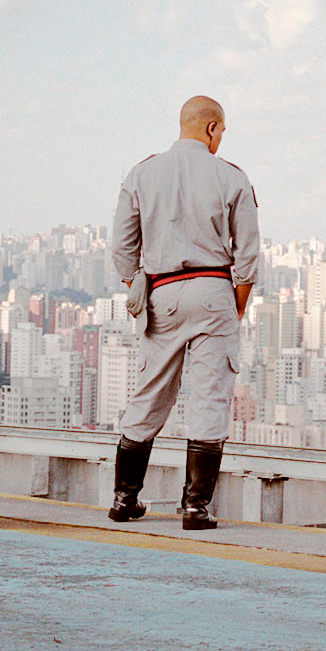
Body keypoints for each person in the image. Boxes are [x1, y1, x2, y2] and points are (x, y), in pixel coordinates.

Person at [107, 94, 259, 530]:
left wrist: (136, 281)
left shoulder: (142, 173)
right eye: (222, 132)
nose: (221, 140)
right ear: (212, 129)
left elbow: (121, 248)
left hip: (162, 290)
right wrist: (236, 306)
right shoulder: (230, 176)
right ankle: (195, 507)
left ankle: (124, 500)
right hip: (215, 289)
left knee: (151, 389)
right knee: (210, 395)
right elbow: (248, 254)